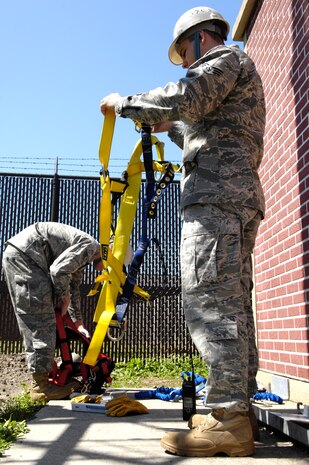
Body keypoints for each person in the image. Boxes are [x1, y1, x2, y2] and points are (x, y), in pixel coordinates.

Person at [100, 5, 265, 458]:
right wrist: (171, 127)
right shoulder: (235, 74)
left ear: (199, 38)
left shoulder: (224, 60)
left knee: (210, 299)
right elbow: (208, 132)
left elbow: (186, 96)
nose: (186, 60)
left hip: (216, 198)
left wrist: (126, 102)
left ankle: (228, 418)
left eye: (185, 51)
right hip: (234, 193)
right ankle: (236, 411)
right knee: (233, 303)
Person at [2, 222, 102, 402]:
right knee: (41, 319)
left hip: (25, 256)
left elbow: (73, 287)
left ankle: (47, 374)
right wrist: (63, 297)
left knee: (43, 316)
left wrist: (78, 323)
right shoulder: (90, 247)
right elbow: (58, 271)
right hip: (27, 258)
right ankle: (41, 387)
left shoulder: (84, 254)